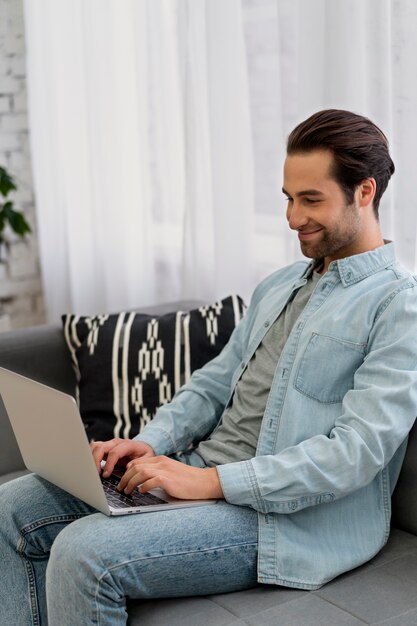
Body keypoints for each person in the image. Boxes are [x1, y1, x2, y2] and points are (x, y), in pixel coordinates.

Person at [2, 109, 417, 625]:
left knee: (84, 554)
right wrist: (151, 441)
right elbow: (214, 383)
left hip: (282, 520)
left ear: (364, 192)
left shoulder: (399, 306)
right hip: (201, 474)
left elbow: (356, 454)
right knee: (10, 508)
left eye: (311, 200)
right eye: (288, 198)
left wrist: (210, 482)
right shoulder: (281, 284)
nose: (293, 217)